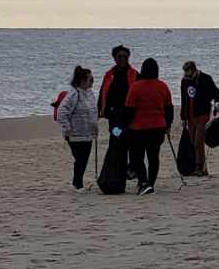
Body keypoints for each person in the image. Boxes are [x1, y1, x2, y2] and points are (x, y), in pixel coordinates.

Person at [124, 58, 174, 196]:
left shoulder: (136, 86)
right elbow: (169, 108)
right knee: (153, 156)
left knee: (137, 157)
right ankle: (150, 183)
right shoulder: (163, 86)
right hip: (158, 127)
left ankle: (144, 182)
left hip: (138, 128)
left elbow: (130, 109)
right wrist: (168, 125)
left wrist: (124, 125)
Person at [97, 45, 138, 175]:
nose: (122, 59)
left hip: (130, 114)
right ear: (114, 58)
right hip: (114, 115)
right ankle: (117, 167)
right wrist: (100, 110)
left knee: (131, 142)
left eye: (125, 56)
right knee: (115, 139)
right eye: (119, 57)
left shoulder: (134, 74)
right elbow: (103, 92)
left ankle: (131, 169)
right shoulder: (109, 75)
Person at [57, 66, 99, 190]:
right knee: (80, 159)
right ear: (82, 81)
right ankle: (77, 184)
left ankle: (78, 183)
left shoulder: (90, 93)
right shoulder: (74, 94)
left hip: (88, 134)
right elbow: (62, 112)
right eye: (90, 80)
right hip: (75, 135)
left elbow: (93, 112)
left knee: (83, 160)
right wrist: (67, 128)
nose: (92, 82)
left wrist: (95, 128)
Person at [180, 61, 219, 176]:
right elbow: (184, 99)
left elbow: (217, 93)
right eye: (185, 74)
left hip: (202, 114)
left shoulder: (205, 79)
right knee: (193, 142)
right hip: (190, 116)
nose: (187, 77)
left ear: (193, 70)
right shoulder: (184, 81)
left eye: (188, 74)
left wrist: (217, 107)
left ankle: (200, 167)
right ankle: (198, 166)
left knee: (199, 141)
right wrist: (183, 117)